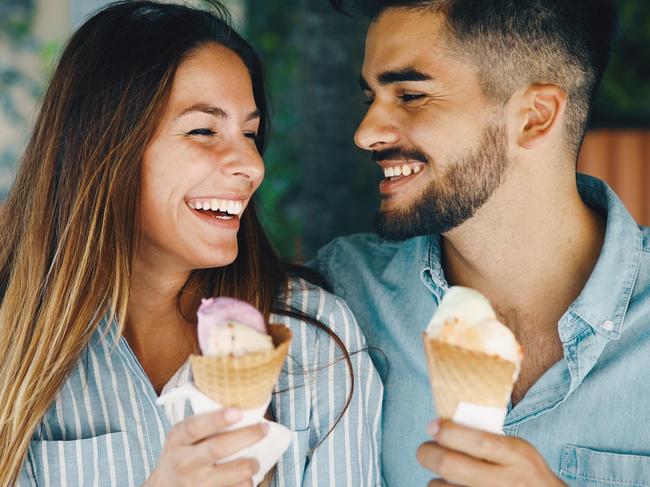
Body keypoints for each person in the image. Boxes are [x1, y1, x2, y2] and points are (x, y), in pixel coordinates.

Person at [0, 2, 383, 486]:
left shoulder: (315, 339)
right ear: (103, 148)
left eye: (250, 133)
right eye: (204, 130)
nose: (251, 165)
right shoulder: (12, 344)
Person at [312, 0, 650, 485]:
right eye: (371, 99)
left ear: (534, 117)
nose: (365, 134)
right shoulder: (337, 303)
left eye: (410, 95)